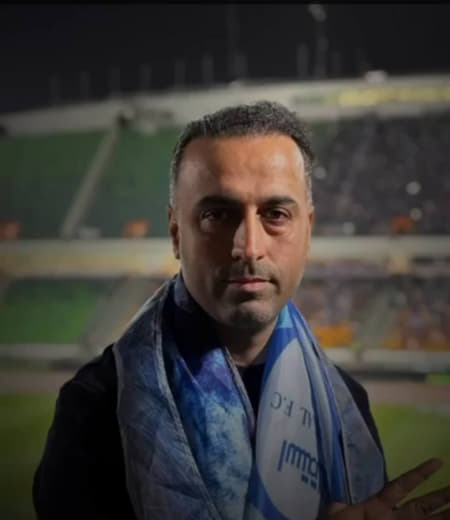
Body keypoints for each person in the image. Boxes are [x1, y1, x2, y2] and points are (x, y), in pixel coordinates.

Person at [33, 101, 450, 520]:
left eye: (276, 214)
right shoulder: (95, 408)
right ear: (176, 234)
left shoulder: (348, 405)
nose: (249, 247)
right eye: (217, 214)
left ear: (308, 232)